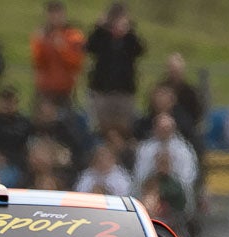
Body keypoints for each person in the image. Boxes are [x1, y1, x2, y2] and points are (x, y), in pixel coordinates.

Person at [85, 2, 144, 135]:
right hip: (102, 90)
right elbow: (89, 47)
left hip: (124, 91)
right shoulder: (102, 36)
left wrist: (129, 32)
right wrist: (99, 28)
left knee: (124, 129)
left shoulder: (130, 38)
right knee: (100, 129)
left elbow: (140, 50)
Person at [29, 1, 85, 110]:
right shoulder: (41, 35)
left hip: (66, 90)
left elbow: (76, 63)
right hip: (45, 89)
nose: (55, 18)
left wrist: (62, 48)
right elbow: (37, 63)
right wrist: (40, 43)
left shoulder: (74, 35)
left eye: (58, 14)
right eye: (51, 14)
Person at [133, 113, 197, 196]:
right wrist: (155, 170)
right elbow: (139, 174)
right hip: (149, 189)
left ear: (173, 129)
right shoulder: (145, 149)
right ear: (155, 129)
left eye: (167, 129)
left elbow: (188, 177)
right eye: (161, 128)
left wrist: (170, 172)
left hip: (177, 191)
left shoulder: (183, 150)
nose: (164, 132)